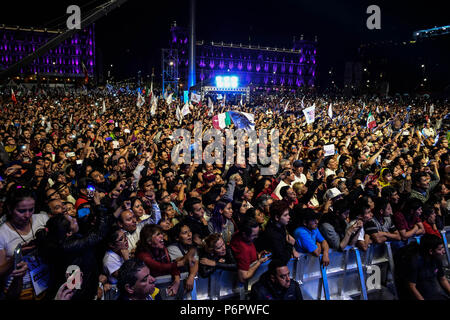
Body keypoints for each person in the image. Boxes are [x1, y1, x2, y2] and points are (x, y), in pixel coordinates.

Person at [0, 186, 48, 300]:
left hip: (44, 281)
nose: (27, 215)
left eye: (31, 209)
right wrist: (15, 258)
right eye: (21, 211)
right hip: (20, 289)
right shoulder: (2, 234)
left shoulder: (42, 219)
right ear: (10, 208)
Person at [395, 234, 450, 300]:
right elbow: (412, 287)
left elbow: (443, 279)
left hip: (431, 287)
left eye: (443, 248)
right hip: (417, 292)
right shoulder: (414, 261)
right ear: (431, 251)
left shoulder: (437, 258)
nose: (443, 251)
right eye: (440, 249)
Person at [135, 224, 184, 297]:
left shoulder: (163, 249)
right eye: (158, 234)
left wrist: (177, 280)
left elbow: (170, 266)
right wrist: (178, 264)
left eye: (161, 233)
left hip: (162, 286)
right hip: (147, 291)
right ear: (149, 241)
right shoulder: (142, 255)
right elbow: (160, 267)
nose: (162, 236)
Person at [230, 217, 270, 283]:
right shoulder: (243, 250)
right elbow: (243, 277)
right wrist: (259, 262)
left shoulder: (239, 233)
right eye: (254, 235)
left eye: (257, 234)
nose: (256, 237)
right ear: (244, 234)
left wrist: (258, 254)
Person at [167, 222, 198, 292]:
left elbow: (195, 262)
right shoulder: (172, 248)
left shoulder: (191, 247)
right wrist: (193, 250)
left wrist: (191, 276)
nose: (189, 234)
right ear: (177, 238)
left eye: (190, 231)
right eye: (185, 233)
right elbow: (184, 261)